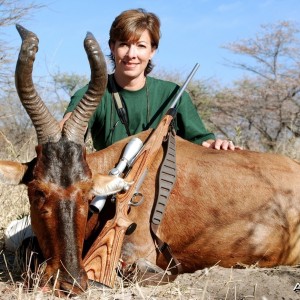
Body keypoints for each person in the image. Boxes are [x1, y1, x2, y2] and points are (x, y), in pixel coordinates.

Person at [60, 8, 240, 151]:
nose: (132, 54)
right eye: (124, 44)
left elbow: (201, 141)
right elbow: (67, 132)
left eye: (141, 46)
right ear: (112, 47)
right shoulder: (92, 93)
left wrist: (217, 145)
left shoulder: (174, 94)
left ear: (152, 51)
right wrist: (64, 129)